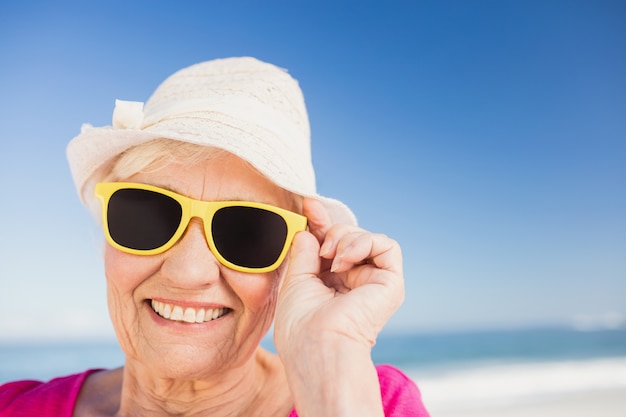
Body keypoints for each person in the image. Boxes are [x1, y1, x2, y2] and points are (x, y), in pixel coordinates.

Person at [0, 57, 429, 416]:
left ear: (300, 261)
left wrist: (330, 368)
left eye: (247, 230)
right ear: (107, 238)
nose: (189, 272)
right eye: (148, 215)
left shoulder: (374, 404)